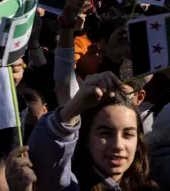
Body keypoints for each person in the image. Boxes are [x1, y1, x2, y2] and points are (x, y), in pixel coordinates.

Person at [29, 72, 157, 190]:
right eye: (105, 133)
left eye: (128, 134)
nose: (118, 145)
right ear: (86, 138)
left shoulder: (150, 186)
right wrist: (72, 109)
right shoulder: (69, 185)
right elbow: (48, 160)